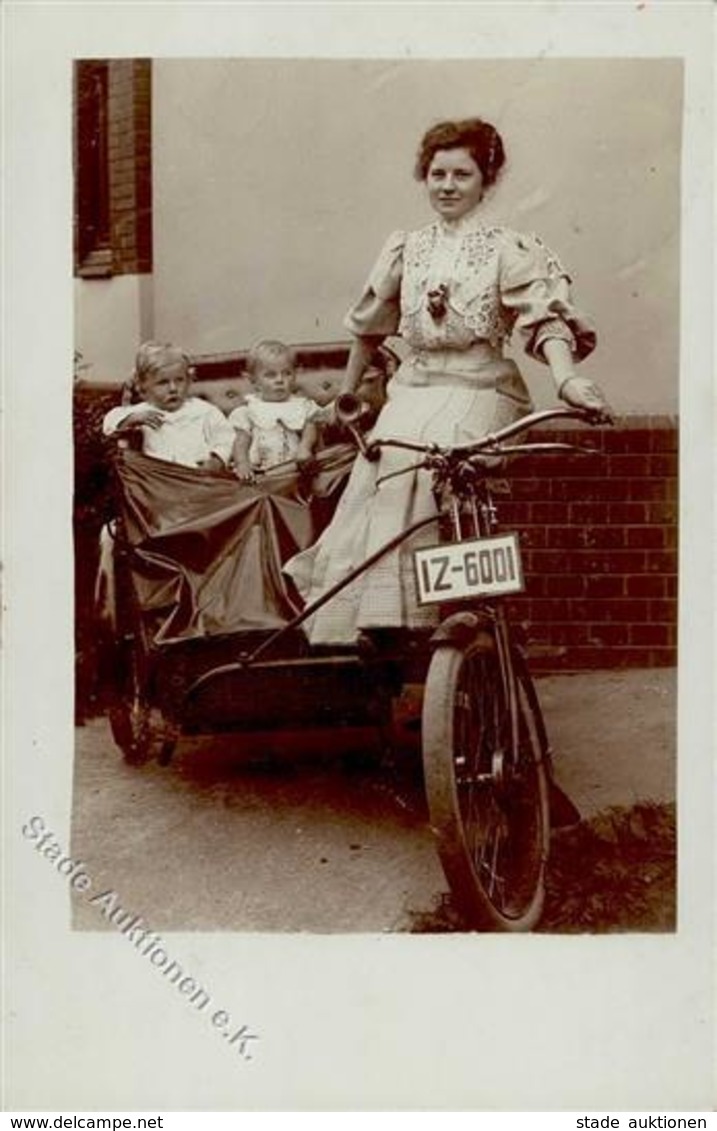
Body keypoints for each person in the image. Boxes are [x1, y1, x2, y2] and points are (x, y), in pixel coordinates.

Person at [285, 116, 612, 645]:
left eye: (462, 174)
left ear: (486, 180)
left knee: (429, 460)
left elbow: (543, 316)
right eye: (437, 174)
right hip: (414, 388)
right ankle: (381, 623)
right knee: (380, 467)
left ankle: (440, 611)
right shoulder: (405, 248)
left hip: (481, 387)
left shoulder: (509, 248)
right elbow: (368, 328)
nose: (447, 186)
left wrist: (566, 378)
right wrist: (346, 394)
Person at [102, 341, 235, 471]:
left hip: (197, 476)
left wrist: (217, 460)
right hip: (159, 479)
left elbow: (225, 436)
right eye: (163, 382)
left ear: (189, 380)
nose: (173, 388)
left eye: (179, 380)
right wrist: (131, 419)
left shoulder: (204, 411)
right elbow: (109, 424)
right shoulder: (144, 411)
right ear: (144, 386)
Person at [228, 339, 325, 482]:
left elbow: (310, 428)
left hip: (296, 469)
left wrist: (305, 447)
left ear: (295, 374)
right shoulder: (248, 411)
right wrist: (242, 464)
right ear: (253, 380)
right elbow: (241, 441)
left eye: (287, 373)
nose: (280, 380)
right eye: (270, 375)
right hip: (260, 472)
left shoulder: (303, 406)